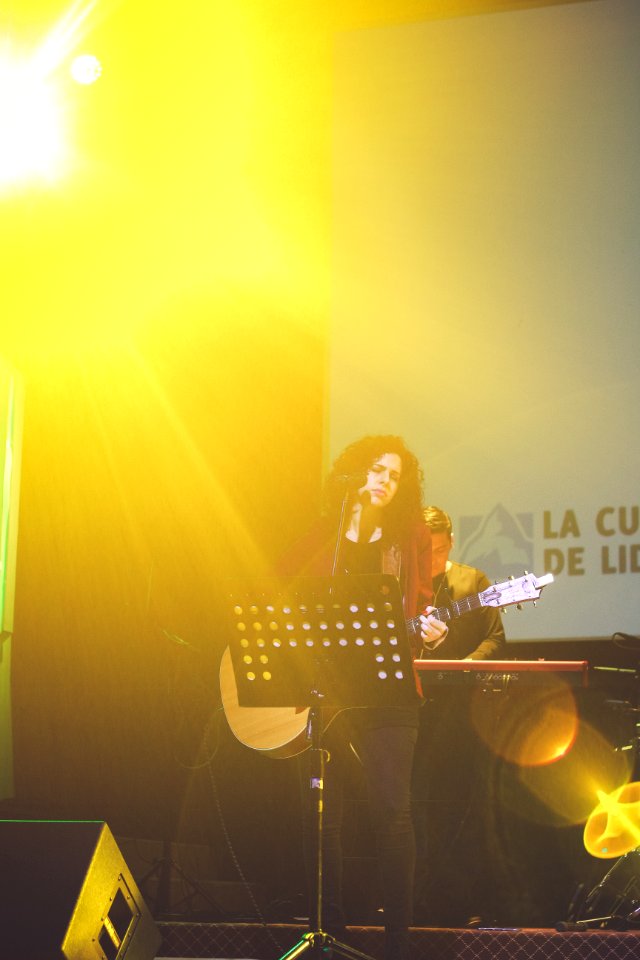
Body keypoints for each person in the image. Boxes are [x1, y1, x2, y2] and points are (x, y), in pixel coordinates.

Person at [278, 436, 448, 960]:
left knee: (392, 813)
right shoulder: (320, 538)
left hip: (389, 690)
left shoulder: (410, 537)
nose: (384, 480)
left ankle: (397, 946)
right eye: (376, 469)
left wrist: (430, 630)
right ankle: (329, 935)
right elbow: (278, 596)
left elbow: (423, 611)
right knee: (322, 812)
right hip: (326, 694)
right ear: (355, 473)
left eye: (395, 476)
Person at [412, 505, 506, 926]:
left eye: (437, 550)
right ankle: (409, 897)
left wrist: (463, 662)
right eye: (421, 551)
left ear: (450, 543)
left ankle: (457, 902)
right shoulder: (398, 585)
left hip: (456, 715)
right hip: (404, 710)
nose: (429, 560)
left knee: (455, 807)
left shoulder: (472, 582)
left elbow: (496, 638)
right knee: (404, 808)